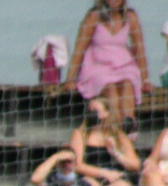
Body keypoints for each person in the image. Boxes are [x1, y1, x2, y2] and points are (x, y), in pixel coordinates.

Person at [64, 0, 153, 136]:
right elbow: (79, 48)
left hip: (123, 64)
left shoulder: (130, 16)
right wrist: (70, 78)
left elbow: (139, 49)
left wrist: (145, 79)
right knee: (110, 88)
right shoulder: (94, 16)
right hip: (97, 65)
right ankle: (116, 131)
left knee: (127, 84)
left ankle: (129, 126)